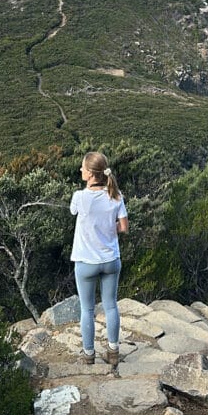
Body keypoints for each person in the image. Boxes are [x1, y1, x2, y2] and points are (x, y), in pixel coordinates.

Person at [70, 150, 128, 367]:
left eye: (83, 168)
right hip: (111, 260)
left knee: (87, 309)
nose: (80, 170)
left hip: (86, 262)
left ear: (91, 174)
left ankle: (88, 354)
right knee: (111, 305)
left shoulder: (80, 197)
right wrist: (107, 227)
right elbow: (123, 227)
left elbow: (73, 212)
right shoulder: (116, 195)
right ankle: (113, 351)